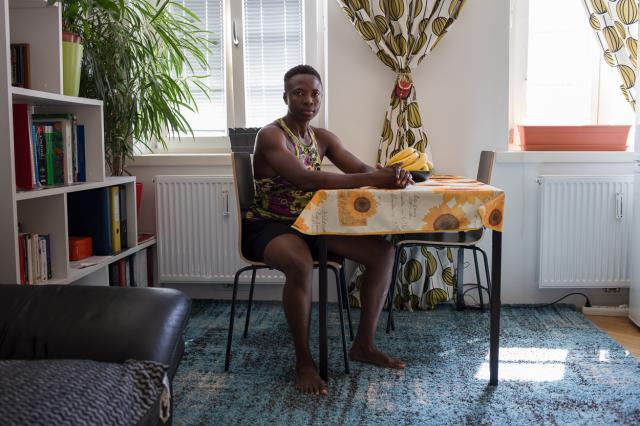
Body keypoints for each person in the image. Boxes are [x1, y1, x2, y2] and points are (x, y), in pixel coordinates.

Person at [243, 64, 413, 396]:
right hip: (269, 226)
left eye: (315, 93)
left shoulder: (322, 138)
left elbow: (361, 169)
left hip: (312, 224)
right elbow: (308, 180)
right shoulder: (271, 135)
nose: (309, 99)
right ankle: (304, 362)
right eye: (299, 92)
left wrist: (392, 175)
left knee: (382, 252)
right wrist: (371, 179)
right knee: (299, 262)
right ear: (286, 97)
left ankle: (363, 345)